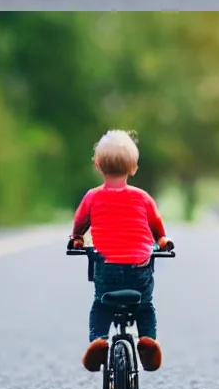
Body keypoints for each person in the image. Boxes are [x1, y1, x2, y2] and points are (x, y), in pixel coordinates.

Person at [68, 130, 171, 373]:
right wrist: (163, 240)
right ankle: (148, 341)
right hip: (140, 269)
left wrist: (77, 239)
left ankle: (98, 341)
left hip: (107, 269)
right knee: (145, 306)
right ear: (133, 167)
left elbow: (80, 222)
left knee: (101, 305)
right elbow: (156, 225)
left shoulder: (92, 197)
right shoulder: (142, 198)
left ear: (97, 165)